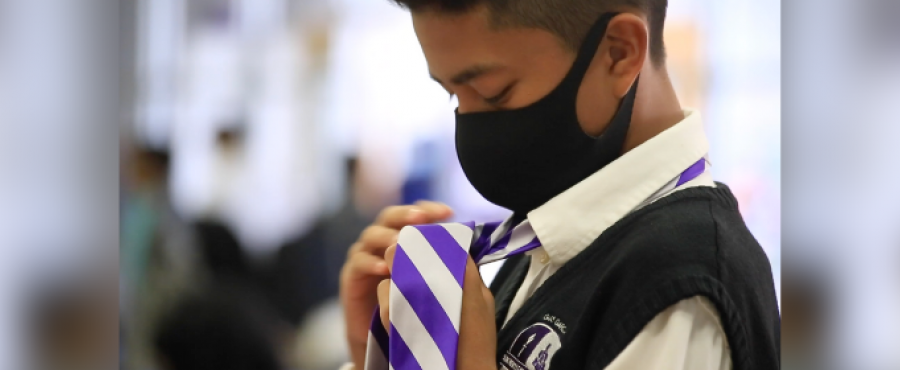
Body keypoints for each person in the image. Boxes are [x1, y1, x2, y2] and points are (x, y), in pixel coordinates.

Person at [339, 1, 780, 369]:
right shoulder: (554, 231)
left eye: (494, 93)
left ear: (620, 53)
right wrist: (382, 354)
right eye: (453, 95)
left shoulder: (678, 284)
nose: (469, 125)